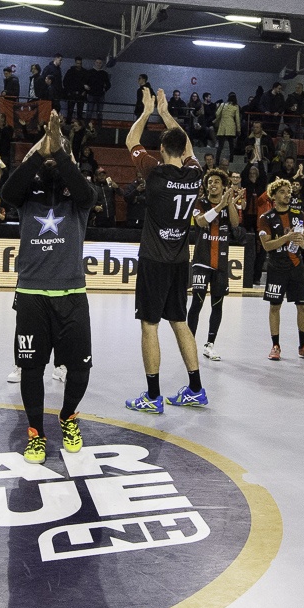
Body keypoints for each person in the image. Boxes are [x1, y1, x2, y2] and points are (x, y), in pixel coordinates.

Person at [0, 111, 96, 463]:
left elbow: (82, 189)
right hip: (31, 295)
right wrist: (41, 151)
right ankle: (36, 433)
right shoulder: (27, 192)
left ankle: (68, 416)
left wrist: (58, 147)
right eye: (47, 150)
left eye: (58, 150)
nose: (52, 154)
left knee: (80, 368)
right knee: (31, 368)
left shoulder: (82, 194)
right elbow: (7, 191)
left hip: (72, 295)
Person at [124, 87, 206, 413]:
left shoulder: (154, 172)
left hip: (154, 259)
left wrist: (147, 111)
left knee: (149, 325)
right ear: (183, 150)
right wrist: (167, 112)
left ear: (161, 149)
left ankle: (153, 396)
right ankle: (196, 388)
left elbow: (131, 141)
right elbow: (188, 146)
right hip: (180, 259)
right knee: (179, 321)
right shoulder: (195, 173)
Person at [258, 177, 304, 362]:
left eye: (289, 192)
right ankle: (275, 346)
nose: (287, 195)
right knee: (275, 306)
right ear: (273, 196)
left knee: (303, 306)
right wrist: (287, 238)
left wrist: (303, 243)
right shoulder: (266, 218)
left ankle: (303, 346)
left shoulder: (299, 215)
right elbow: (267, 246)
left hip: (296, 266)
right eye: (282, 192)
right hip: (276, 268)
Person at [188, 168, 242, 362]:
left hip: (220, 264)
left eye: (217, 182)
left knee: (217, 305)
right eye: (210, 182)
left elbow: (235, 224)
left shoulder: (228, 204)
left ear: (223, 185)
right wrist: (221, 205)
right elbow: (201, 222)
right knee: (197, 303)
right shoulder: (199, 203)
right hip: (201, 262)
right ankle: (189, 344)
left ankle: (210, 345)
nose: (213, 184)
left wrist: (230, 203)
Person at [213, 91, 240, 167]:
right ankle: (231, 160)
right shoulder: (236, 106)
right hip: (231, 127)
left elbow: (217, 114)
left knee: (220, 146)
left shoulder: (223, 104)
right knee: (231, 145)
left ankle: (217, 161)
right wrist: (238, 129)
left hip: (222, 127)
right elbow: (237, 119)